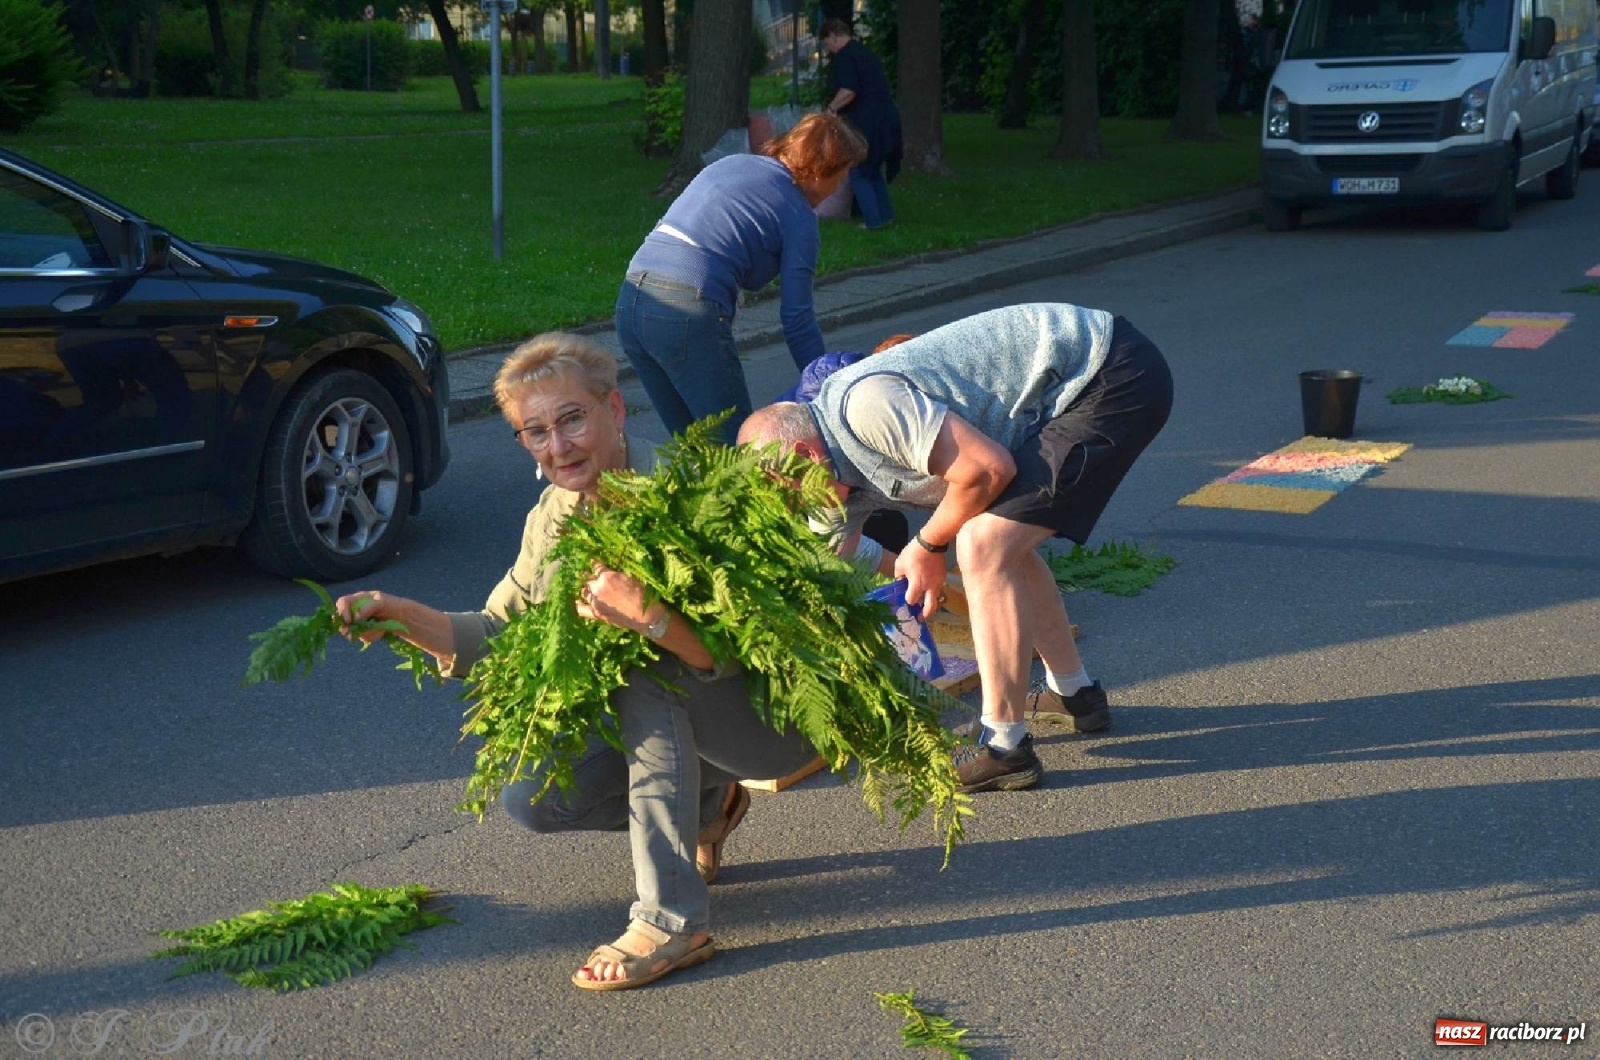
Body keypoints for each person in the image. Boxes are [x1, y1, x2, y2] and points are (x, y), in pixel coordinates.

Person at [335, 332, 819, 990]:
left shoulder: (688, 498)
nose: (557, 447)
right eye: (535, 432)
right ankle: (709, 806)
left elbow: (748, 656)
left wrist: (648, 614)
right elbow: (504, 629)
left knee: (649, 666)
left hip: (770, 722)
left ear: (614, 411)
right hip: (697, 731)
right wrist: (407, 619)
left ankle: (672, 920)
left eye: (571, 419)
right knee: (533, 798)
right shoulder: (555, 517)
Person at [737, 304, 1173, 794]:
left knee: (983, 545)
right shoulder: (825, 480)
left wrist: (926, 544)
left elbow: (987, 470)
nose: (785, 508)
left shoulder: (864, 408)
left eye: (779, 491)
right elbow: (818, 573)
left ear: (803, 456)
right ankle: (1074, 695)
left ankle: (1005, 749)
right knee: (1005, 544)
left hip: (1106, 371)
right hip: (1068, 389)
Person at [615, 112, 867, 445]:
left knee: (695, 449)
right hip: (685, 310)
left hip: (631, 302)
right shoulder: (799, 216)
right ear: (824, 171)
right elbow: (797, 318)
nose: (842, 184)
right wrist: (827, 387)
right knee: (738, 448)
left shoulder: (732, 164)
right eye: (844, 173)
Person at [819, 19, 903, 231]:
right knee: (872, 169)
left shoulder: (845, 57)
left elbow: (848, 90)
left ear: (834, 35)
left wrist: (831, 109)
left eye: (827, 42)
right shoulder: (865, 53)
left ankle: (874, 222)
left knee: (858, 171)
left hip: (866, 122)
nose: (828, 47)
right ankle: (887, 216)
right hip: (886, 119)